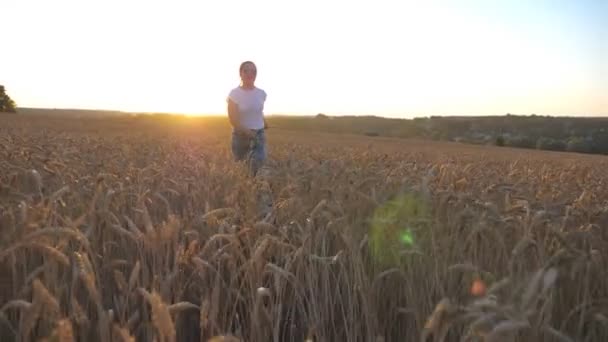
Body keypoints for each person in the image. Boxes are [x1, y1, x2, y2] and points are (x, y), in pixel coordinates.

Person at [226, 61, 268, 176]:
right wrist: (248, 132)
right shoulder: (234, 94)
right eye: (246, 71)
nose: (250, 74)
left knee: (258, 167)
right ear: (240, 73)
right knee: (242, 171)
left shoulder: (261, 93)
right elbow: (233, 119)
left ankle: (257, 192)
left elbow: (258, 111)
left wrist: (264, 122)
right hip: (241, 137)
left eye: (253, 71)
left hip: (259, 135)